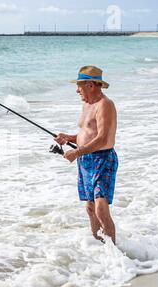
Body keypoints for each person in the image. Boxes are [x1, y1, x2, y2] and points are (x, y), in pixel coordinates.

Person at [55, 66, 118, 244]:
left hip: (102, 158)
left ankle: (113, 250)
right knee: (90, 208)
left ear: (90, 85)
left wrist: (76, 151)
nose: (77, 90)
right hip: (85, 160)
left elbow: (102, 138)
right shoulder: (86, 105)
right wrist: (69, 138)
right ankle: (98, 244)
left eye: (79, 86)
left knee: (100, 208)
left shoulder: (105, 104)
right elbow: (87, 133)